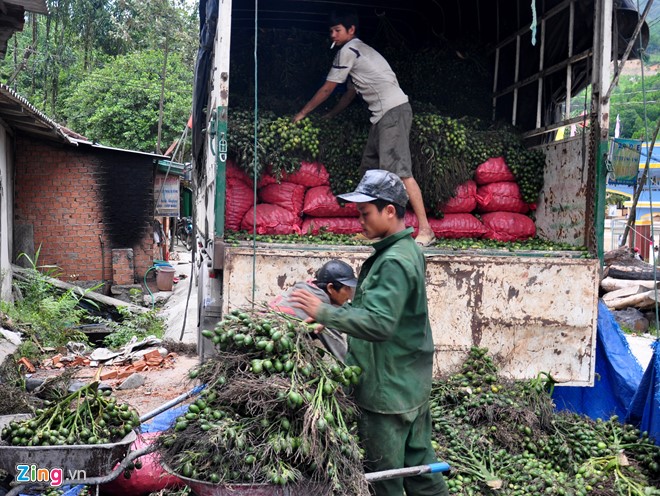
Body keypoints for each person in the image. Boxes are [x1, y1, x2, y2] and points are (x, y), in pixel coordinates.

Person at [289, 169, 449, 496]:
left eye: (365, 213)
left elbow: (380, 323)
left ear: (389, 210)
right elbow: (380, 308)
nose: (359, 220)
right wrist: (335, 318)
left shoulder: (393, 262)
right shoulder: (405, 252)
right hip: (409, 385)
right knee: (420, 469)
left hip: (387, 393)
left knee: (385, 478)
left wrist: (323, 311)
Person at [292, 10, 436, 247]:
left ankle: (425, 230)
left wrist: (303, 113)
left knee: (398, 173)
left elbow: (328, 88)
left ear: (351, 30)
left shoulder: (348, 51)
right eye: (331, 31)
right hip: (381, 116)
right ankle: (375, 230)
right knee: (370, 169)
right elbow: (349, 94)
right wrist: (330, 115)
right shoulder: (359, 52)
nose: (333, 35)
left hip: (393, 111)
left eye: (337, 30)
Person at [269, 259, 357, 360]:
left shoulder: (309, 288)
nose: (350, 294)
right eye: (347, 288)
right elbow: (342, 356)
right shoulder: (318, 307)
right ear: (330, 288)